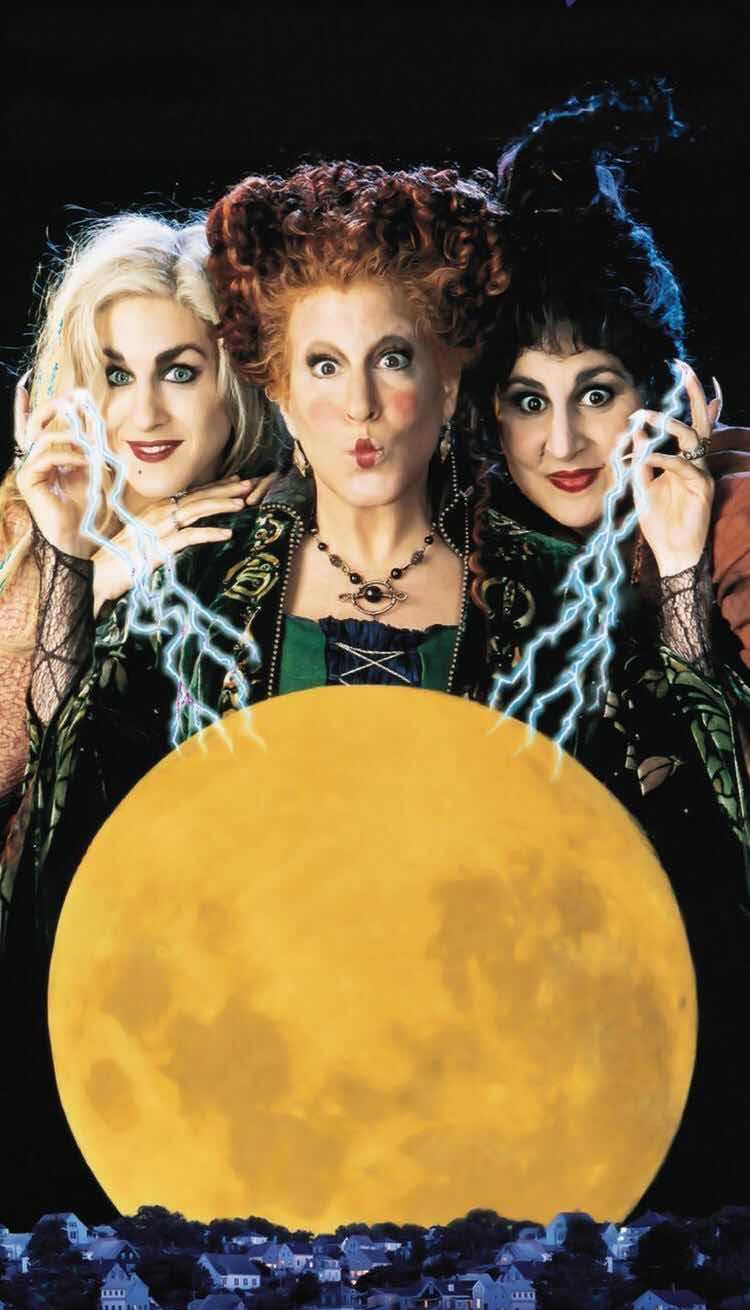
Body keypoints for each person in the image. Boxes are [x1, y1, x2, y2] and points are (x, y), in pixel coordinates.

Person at [10, 161, 750, 1221]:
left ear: (449, 379)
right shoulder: (198, 590)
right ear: (275, 387)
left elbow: (700, 863)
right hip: (244, 1118)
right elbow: (68, 850)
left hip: (503, 1125)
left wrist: (679, 580)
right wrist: (66, 561)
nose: (357, 406)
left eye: (391, 359)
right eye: (323, 364)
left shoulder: (554, 594)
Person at [467, 87, 750, 1214]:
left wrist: (679, 572)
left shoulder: (731, 520)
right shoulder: (472, 540)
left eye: (596, 392)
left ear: (660, 393)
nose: (564, 441)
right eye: (526, 401)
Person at [0, 210, 269, 1224]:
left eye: (179, 371)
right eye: (115, 373)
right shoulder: (25, 517)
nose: (145, 411)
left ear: (233, 378)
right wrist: (87, 567)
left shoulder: (288, 521)